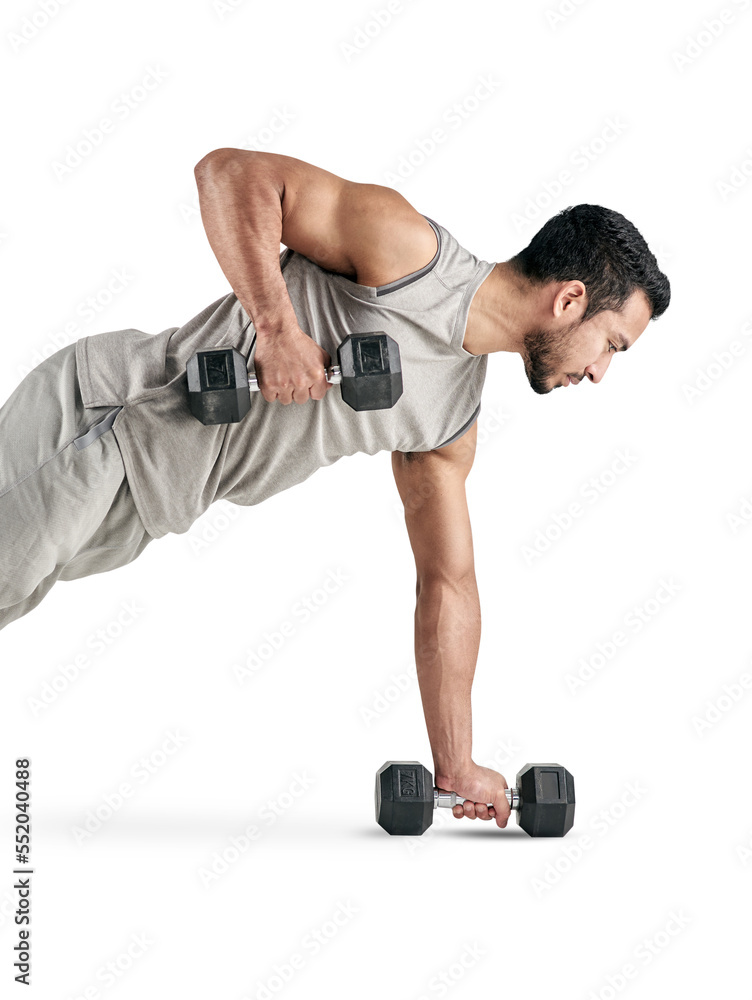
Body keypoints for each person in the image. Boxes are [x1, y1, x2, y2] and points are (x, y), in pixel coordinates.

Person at [0, 150, 670, 827]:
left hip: (147, 508)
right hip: (106, 419)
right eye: (612, 344)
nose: (600, 373)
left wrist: (457, 763)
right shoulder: (412, 255)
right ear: (570, 300)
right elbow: (230, 175)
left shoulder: (449, 420)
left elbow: (448, 583)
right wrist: (276, 329)